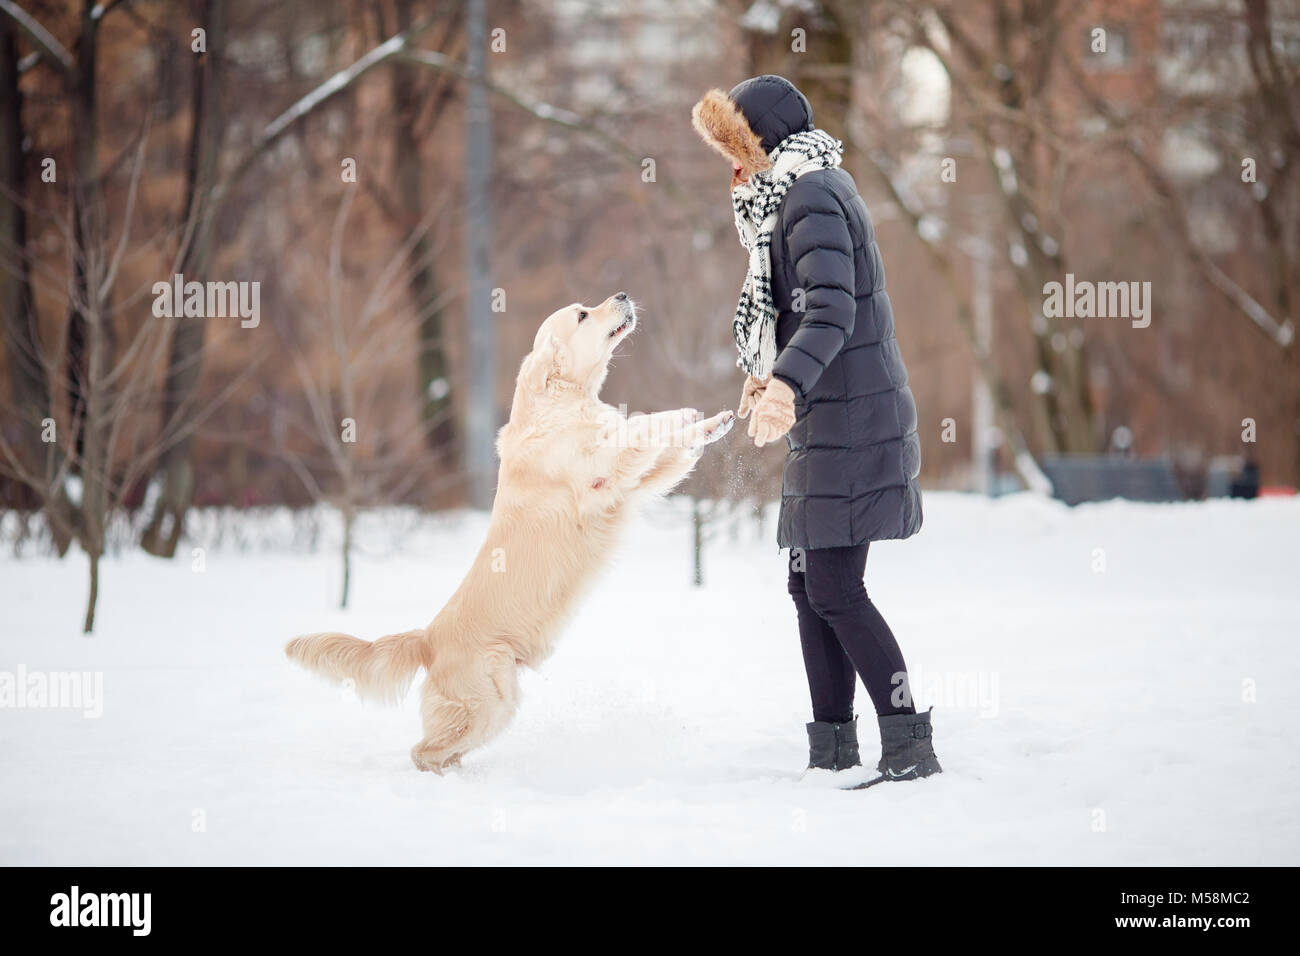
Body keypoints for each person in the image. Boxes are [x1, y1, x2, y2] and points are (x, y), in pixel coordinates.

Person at [691, 75, 941, 786]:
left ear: (766, 144)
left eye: (738, 151)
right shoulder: (798, 197)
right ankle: (832, 752)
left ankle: (909, 747)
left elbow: (833, 312)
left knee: (833, 586)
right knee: (809, 585)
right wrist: (768, 374)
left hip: (855, 419)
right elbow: (805, 313)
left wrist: (787, 384)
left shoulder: (812, 196)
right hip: (833, 419)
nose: (734, 171)